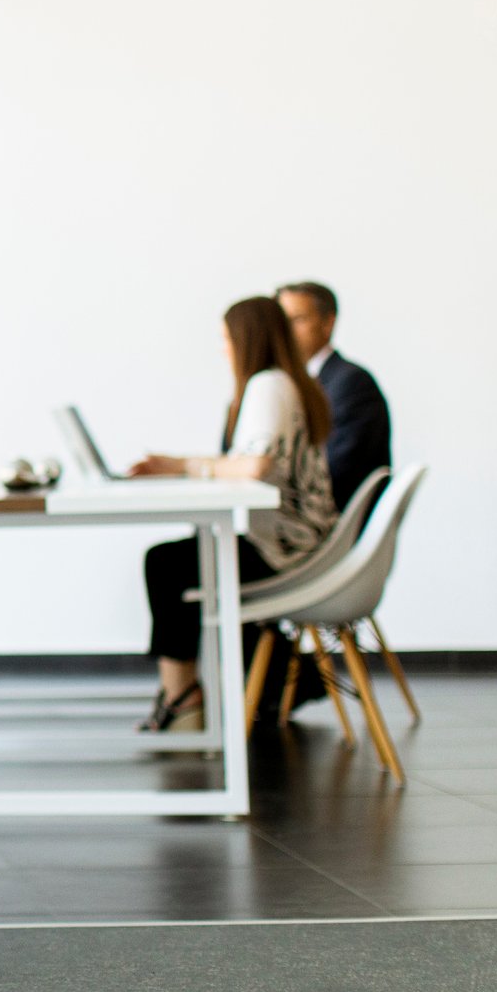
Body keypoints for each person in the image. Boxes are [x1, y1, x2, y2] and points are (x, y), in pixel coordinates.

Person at [128, 296, 338, 732]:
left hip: (288, 550)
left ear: (247, 339)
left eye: (226, 339)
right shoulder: (284, 382)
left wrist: (185, 466)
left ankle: (182, 698)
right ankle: (183, 695)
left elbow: (254, 465)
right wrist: (177, 463)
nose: (223, 349)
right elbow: (247, 460)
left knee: (167, 563)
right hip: (298, 542)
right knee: (177, 562)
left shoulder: (269, 385)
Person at [277, 281, 392, 515]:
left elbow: (338, 474)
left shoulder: (351, 384)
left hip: (333, 526)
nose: (287, 332)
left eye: (297, 320)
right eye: (281, 322)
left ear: (328, 323)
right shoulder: (286, 384)